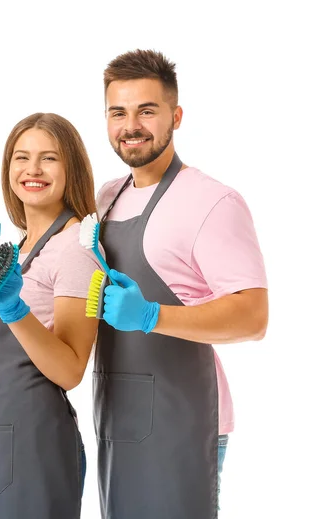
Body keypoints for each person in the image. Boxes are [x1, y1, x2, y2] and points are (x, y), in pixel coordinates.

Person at [94, 49, 269, 518]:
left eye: (146, 111)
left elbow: (253, 317)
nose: (131, 125)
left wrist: (151, 316)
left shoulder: (212, 200)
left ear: (176, 116)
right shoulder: (106, 197)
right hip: (117, 417)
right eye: (118, 112)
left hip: (184, 422)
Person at [0, 113, 102, 519]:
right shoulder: (20, 249)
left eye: (49, 159)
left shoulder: (75, 248)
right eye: (21, 157)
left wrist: (12, 307)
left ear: (71, 168)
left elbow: (71, 369)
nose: (33, 170)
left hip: (34, 442)